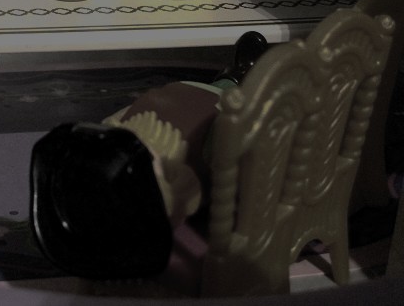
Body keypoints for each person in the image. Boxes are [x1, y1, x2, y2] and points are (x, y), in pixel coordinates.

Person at [30, 32, 269, 279]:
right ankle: (237, 76)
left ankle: (238, 76)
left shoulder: (188, 143)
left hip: (198, 102)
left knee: (229, 99)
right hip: (195, 108)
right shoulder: (177, 175)